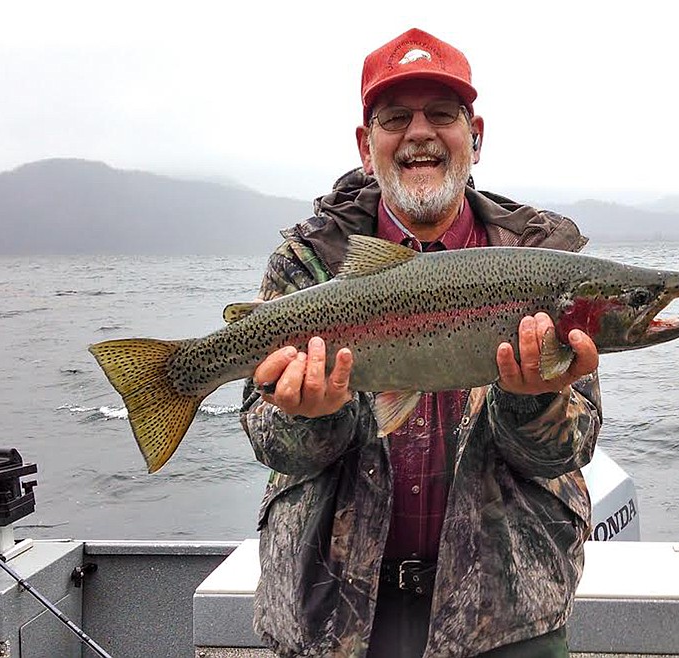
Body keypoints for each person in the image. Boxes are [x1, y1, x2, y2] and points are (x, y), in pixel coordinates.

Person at [240, 28, 602, 658]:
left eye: (442, 114)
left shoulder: (544, 264)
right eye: (395, 118)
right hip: (336, 618)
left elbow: (573, 447)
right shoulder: (308, 266)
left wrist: (531, 401)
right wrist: (311, 420)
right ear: (365, 143)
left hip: (507, 619)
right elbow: (268, 438)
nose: (419, 133)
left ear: (476, 135)